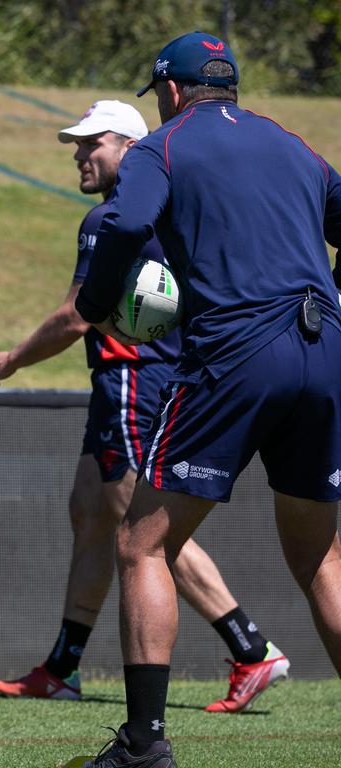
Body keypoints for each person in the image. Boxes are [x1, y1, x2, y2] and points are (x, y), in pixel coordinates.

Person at [71, 32, 341, 768]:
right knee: (322, 554)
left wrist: (97, 302)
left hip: (237, 352)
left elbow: (126, 223)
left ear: (171, 89)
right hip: (325, 348)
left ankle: (144, 746)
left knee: (143, 541)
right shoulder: (294, 146)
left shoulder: (163, 144)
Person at [0, 99, 287, 713]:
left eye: (90, 143)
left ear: (128, 146)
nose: (78, 153)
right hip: (136, 384)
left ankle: (251, 649)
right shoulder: (176, 212)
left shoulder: (112, 218)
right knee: (90, 512)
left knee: (143, 526)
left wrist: (12, 359)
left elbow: (76, 316)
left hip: (132, 382)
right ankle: (63, 666)